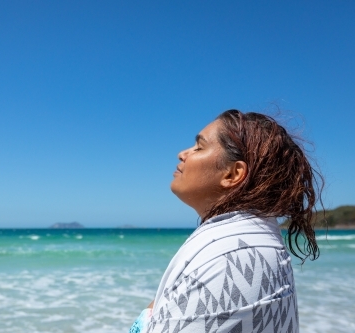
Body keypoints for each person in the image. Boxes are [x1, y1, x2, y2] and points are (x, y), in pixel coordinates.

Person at [129, 109, 322, 333]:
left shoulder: (229, 256)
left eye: (199, 147)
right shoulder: (249, 240)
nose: (182, 153)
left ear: (233, 174)